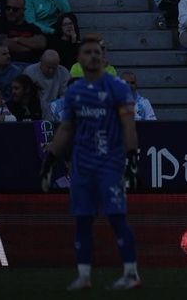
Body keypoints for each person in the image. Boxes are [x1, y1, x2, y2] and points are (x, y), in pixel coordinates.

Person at [41, 38, 141, 291]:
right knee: (83, 219)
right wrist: (51, 158)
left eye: (98, 52)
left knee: (117, 216)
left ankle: (131, 273)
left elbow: (129, 125)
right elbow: (66, 128)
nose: (94, 56)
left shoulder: (118, 87)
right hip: (82, 164)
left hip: (110, 161)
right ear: (79, 58)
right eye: (88, 52)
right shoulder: (74, 92)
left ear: (105, 58)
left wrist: (131, 158)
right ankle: (84, 276)